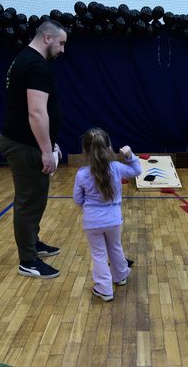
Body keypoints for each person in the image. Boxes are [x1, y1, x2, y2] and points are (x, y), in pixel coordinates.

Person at [0, 19, 67, 279]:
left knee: (37, 198)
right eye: (61, 43)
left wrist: (49, 142)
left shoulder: (25, 59)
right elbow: (36, 112)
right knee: (28, 202)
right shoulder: (35, 65)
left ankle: (33, 243)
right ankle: (27, 260)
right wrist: (47, 151)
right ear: (47, 38)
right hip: (23, 145)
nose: (62, 50)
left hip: (27, 142)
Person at [73, 128, 142, 302]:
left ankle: (104, 289)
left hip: (92, 221)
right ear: (109, 147)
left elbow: (77, 199)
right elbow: (137, 171)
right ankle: (120, 276)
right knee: (115, 247)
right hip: (113, 219)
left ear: (85, 150)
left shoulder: (81, 174)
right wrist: (130, 156)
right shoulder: (116, 168)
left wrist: (90, 209)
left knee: (99, 255)